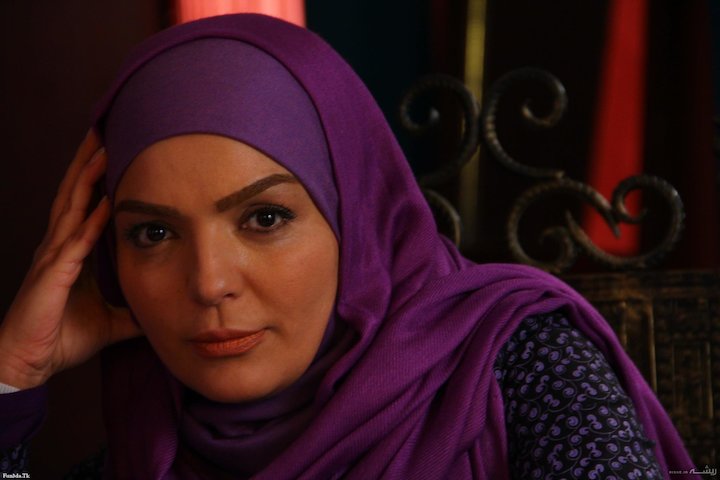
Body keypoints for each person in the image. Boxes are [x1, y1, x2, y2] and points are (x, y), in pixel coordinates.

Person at [0, 13, 695, 479]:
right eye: (154, 234)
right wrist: (11, 377)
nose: (209, 283)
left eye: (264, 218)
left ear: (357, 220)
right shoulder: (149, 439)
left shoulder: (516, 363)